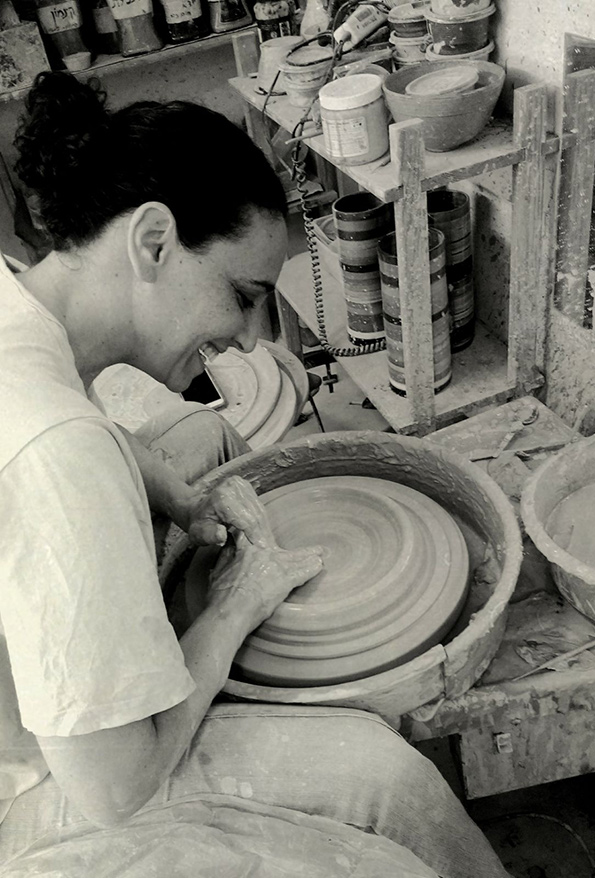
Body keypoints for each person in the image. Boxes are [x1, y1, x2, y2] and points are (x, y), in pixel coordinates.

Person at [0, 71, 510, 877]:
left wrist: (163, 481)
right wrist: (235, 605)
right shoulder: (58, 452)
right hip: (38, 790)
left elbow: (51, 429)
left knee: (394, 783)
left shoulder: (15, 304)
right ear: (153, 241)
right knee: (389, 825)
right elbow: (117, 788)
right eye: (241, 296)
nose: (244, 340)